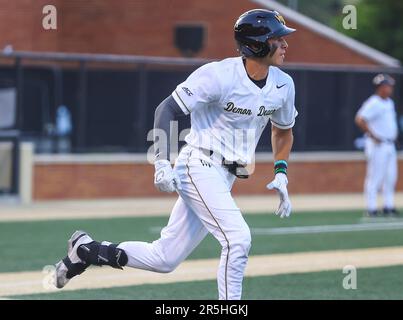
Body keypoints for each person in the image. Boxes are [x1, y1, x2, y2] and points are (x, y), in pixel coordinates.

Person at [53, 9, 298, 300]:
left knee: (164, 259)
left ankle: (86, 250)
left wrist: (281, 172)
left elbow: (282, 130)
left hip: (227, 175)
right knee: (238, 239)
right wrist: (161, 161)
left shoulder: (283, 84)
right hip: (199, 164)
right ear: (256, 44)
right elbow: (166, 109)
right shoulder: (218, 75)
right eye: (277, 39)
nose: (285, 45)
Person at [355, 73, 399, 217]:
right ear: (380, 87)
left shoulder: (389, 102)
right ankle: (371, 208)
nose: (390, 88)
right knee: (375, 176)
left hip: (389, 144)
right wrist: (373, 135)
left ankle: (388, 206)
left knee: (390, 176)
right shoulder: (374, 102)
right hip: (378, 144)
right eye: (388, 85)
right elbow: (360, 119)